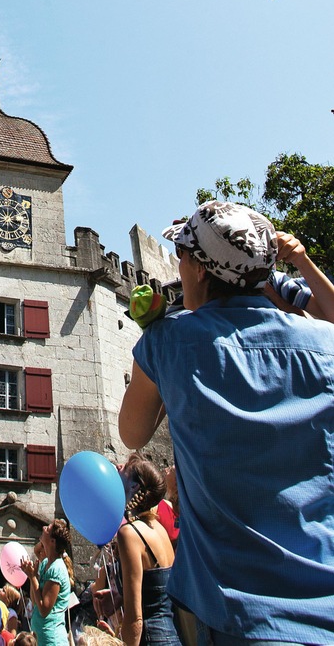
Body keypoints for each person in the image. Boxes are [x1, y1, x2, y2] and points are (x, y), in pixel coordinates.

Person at [119, 201, 334, 645]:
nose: (176, 266)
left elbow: (131, 432)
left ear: (200, 270)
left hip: (238, 613)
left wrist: (158, 340)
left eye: (181, 254)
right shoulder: (326, 344)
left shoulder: (171, 340)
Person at [115, 456, 179, 646]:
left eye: (125, 467)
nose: (118, 466)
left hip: (151, 639)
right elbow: (156, 591)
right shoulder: (158, 528)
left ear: (134, 487)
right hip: (172, 636)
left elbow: (135, 618)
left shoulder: (129, 533)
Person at [21, 520, 72, 646]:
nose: (43, 528)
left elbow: (44, 609)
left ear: (53, 541)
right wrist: (32, 576)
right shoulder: (45, 563)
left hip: (52, 639)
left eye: (47, 529)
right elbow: (35, 601)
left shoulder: (57, 569)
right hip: (42, 637)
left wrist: (32, 577)